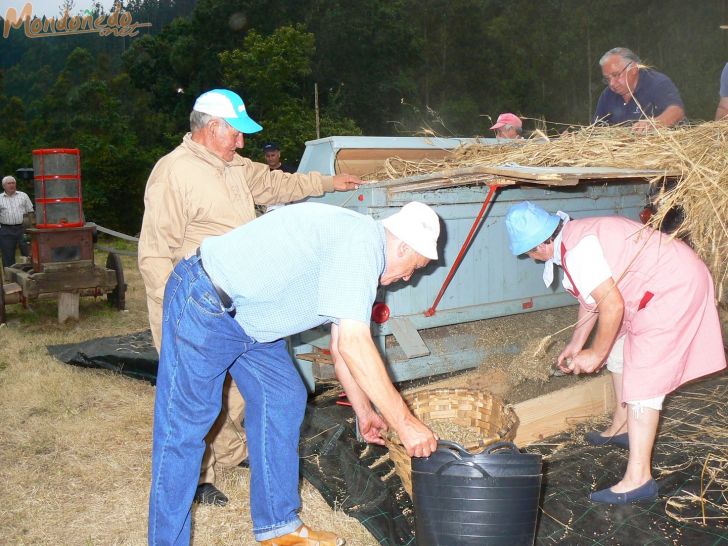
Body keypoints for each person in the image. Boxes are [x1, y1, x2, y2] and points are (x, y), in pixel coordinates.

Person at [148, 201, 440, 545]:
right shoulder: (361, 244)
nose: (408, 278)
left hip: (252, 324)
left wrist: (365, 413)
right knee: (184, 429)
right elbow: (354, 344)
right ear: (403, 245)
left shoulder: (360, 250)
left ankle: (278, 527)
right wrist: (405, 424)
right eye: (413, 268)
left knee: (284, 397)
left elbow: (340, 347)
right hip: (205, 302)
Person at [138, 88, 362, 508]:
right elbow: (154, 253)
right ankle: (199, 477)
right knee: (198, 397)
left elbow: (278, 184)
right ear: (213, 127)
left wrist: (329, 182)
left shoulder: (235, 166)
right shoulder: (174, 173)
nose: (242, 141)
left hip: (244, 302)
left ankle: (231, 453)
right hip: (195, 305)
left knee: (242, 391)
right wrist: (174, 316)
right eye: (236, 133)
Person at [504, 201, 726, 505]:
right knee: (619, 351)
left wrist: (595, 353)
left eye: (528, 252)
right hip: (655, 285)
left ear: (541, 245)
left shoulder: (579, 251)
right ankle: (621, 425)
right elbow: (593, 297)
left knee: (644, 379)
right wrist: (576, 342)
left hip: (673, 288)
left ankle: (639, 479)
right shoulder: (574, 237)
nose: (530, 258)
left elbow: (613, 306)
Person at [593, 47, 685, 132]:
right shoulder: (607, 95)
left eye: (616, 75)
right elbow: (596, 129)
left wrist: (654, 124)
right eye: (607, 79)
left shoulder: (657, 83)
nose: (611, 83)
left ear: (633, 68)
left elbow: (676, 111)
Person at [0, 175, 34, 268]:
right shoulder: (0, 198)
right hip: (6, 230)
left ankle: (28, 271)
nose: (11, 185)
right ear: (4, 186)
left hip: (23, 228)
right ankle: (9, 276)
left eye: (13, 183)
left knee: (27, 251)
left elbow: (30, 212)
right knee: (8, 254)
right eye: (9, 183)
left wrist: (31, 228)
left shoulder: (23, 196)